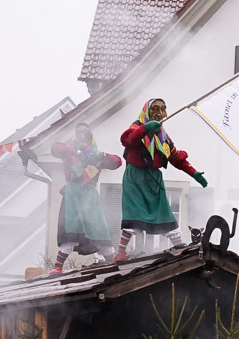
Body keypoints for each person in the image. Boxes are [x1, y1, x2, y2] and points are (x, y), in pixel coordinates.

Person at [115, 98, 207, 261]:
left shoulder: (163, 136)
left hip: (153, 179)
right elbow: (130, 140)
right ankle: (121, 252)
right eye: (155, 109)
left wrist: (194, 173)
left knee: (164, 211)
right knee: (134, 213)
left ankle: (179, 247)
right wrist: (145, 128)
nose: (159, 113)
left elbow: (176, 158)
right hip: (135, 177)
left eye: (162, 109)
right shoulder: (136, 127)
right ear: (146, 111)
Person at [50, 124, 122, 274]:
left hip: (90, 197)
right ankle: (57, 267)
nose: (82, 136)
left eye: (85, 134)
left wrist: (103, 157)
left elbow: (118, 162)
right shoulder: (69, 152)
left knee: (100, 231)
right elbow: (55, 148)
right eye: (79, 134)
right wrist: (76, 151)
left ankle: (112, 263)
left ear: (90, 138)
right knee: (71, 230)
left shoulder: (95, 155)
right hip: (73, 195)